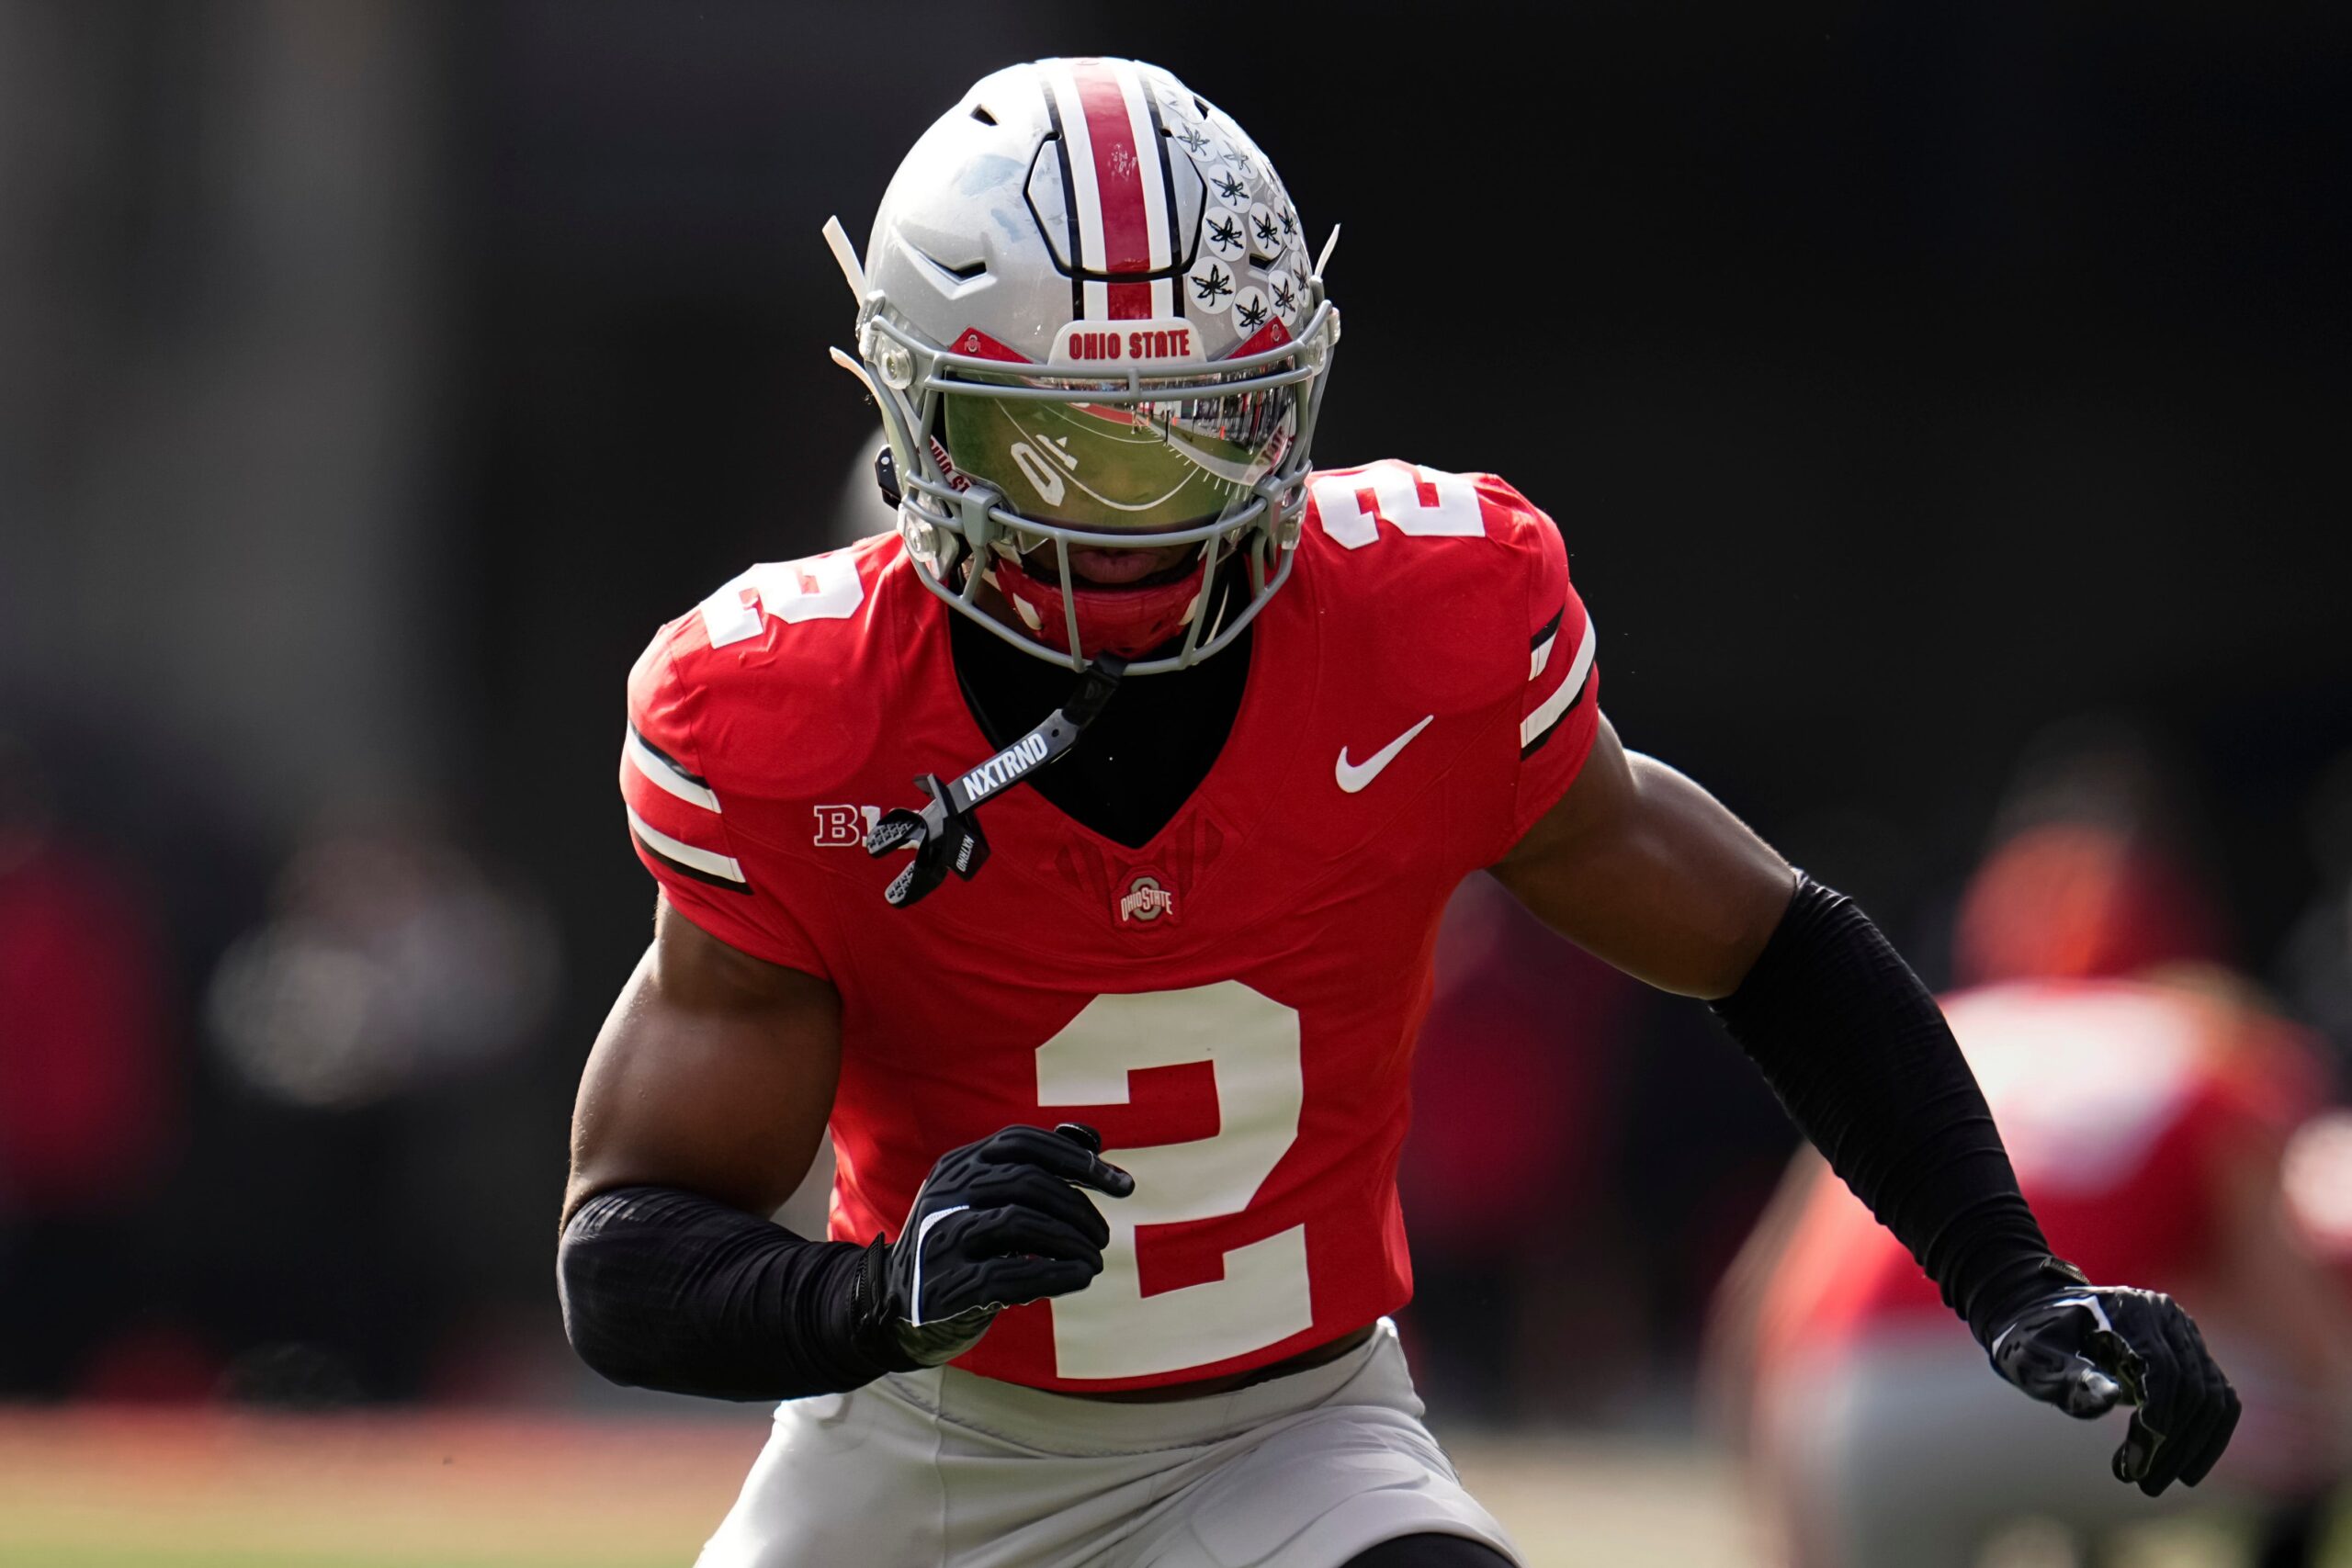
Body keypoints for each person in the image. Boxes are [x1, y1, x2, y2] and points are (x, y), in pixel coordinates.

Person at [556, 59, 2240, 1568]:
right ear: (918, 419)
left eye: (1192, 433)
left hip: (1294, 1438)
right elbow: (624, 1252)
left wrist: (2012, 1273)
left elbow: (1769, 943)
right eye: (1062, 449)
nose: (1133, 523)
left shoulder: (1422, 625)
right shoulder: (799, 717)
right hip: (925, 1453)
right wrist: (872, 1299)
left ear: (1288, 394)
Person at [1712, 809, 2347, 1568]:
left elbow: (1757, 1300)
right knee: (2297, 1414)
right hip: (2064, 1390)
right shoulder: (2210, 1041)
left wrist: (1777, 1492)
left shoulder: (1941, 1032)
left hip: (1849, 1407)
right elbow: (2301, 1321)